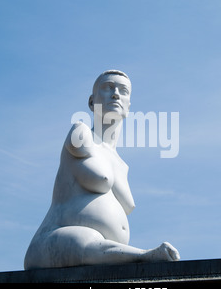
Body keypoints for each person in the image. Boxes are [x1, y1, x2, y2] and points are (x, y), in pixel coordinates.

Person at [24, 70, 180, 269]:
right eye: (107, 88)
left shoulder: (122, 166)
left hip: (99, 259)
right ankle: (143, 255)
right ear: (91, 102)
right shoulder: (80, 134)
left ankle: (136, 256)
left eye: (123, 91)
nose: (115, 94)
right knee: (85, 238)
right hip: (51, 244)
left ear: (128, 106)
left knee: (91, 241)